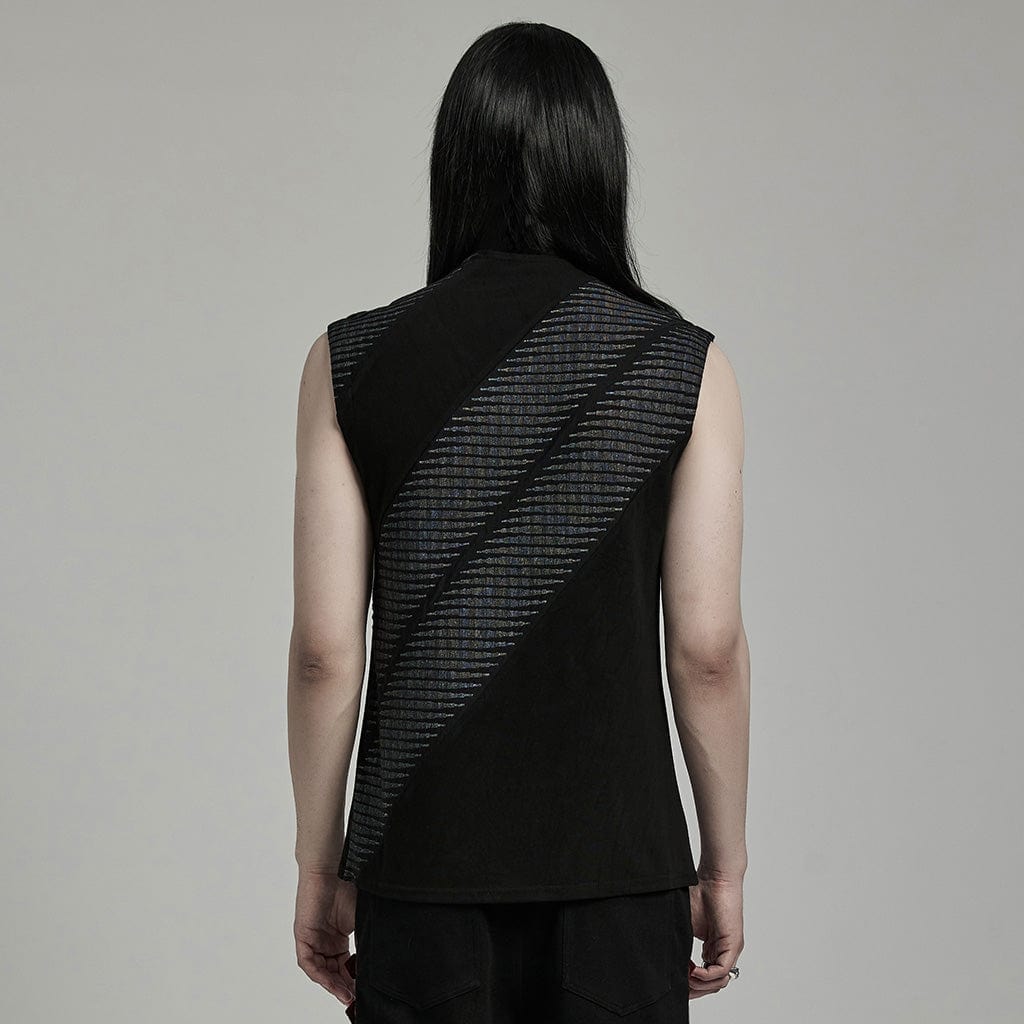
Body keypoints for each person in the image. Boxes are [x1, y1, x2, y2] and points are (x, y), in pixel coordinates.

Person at [288, 20, 749, 1023]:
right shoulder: (686, 368)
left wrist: (320, 865)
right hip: (622, 873)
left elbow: (326, 650)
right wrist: (723, 864)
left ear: (452, 166)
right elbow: (707, 650)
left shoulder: (349, 362)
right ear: (601, 165)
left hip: (421, 871)